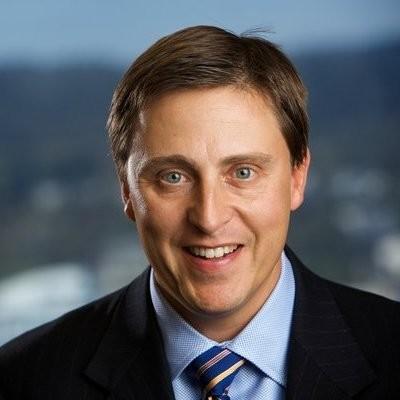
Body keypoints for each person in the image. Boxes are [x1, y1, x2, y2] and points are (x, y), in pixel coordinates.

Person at [0, 25, 399, 400]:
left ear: (297, 177)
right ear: (126, 189)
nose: (209, 218)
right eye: (173, 177)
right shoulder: (22, 380)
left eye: (243, 172)